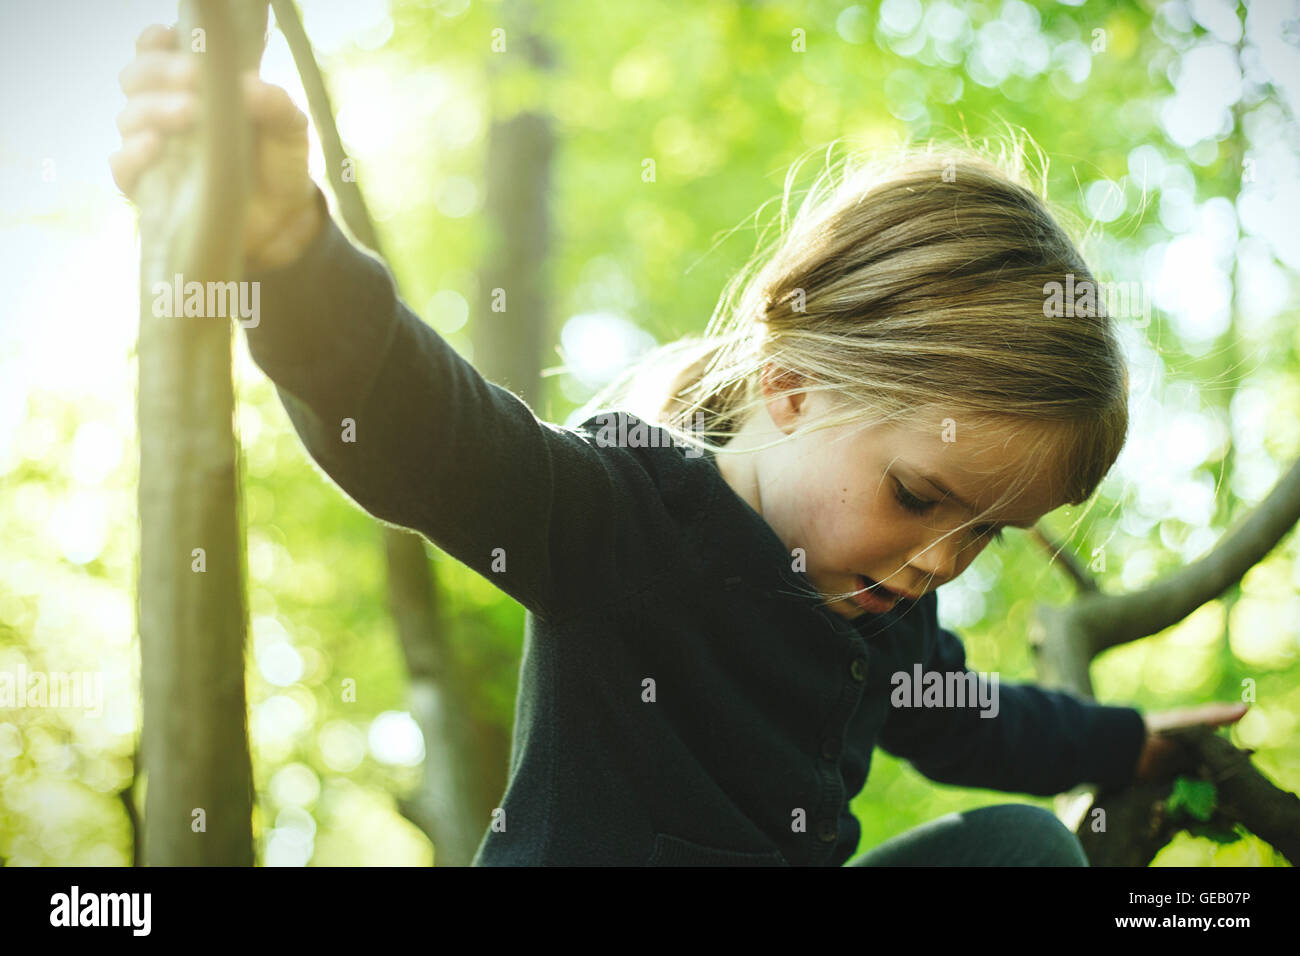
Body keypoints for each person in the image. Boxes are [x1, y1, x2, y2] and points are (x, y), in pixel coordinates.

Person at [111, 23, 1248, 866]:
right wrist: (293, 256)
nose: (945, 559)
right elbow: (425, 435)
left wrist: (1128, 739)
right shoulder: (621, 519)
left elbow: (976, 722)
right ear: (793, 383)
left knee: (1019, 854)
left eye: (987, 534)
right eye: (919, 495)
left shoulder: (887, 611)